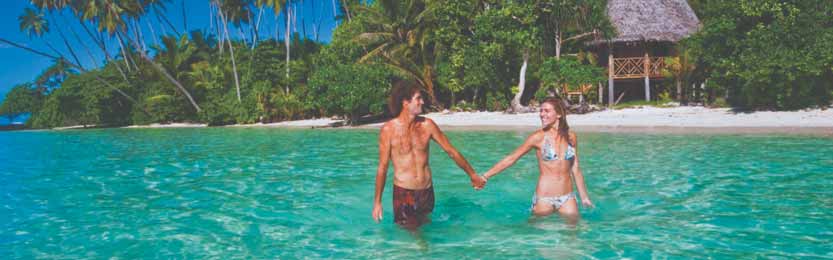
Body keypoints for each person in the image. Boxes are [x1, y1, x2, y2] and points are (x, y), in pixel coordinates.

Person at [372, 80, 486, 229]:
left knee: (425, 229)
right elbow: (383, 167)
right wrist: (377, 202)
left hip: (426, 191)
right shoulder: (389, 130)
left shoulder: (428, 125)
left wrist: (472, 175)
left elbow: (451, 151)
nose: (423, 102)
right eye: (418, 98)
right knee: (413, 234)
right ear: (405, 102)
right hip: (404, 192)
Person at [480, 97, 594, 224]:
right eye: (541, 111)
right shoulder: (537, 137)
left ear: (559, 114)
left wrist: (584, 197)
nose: (542, 114)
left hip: (567, 197)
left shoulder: (571, 137)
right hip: (544, 198)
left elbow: (575, 167)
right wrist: (485, 176)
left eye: (546, 111)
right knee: (536, 238)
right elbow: (512, 158)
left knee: (574, 236)